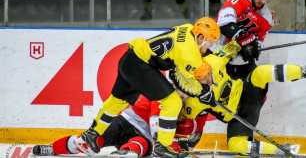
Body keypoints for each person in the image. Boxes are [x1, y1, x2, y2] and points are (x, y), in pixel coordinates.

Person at [75, 17, 221, 158]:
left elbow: (179, 66)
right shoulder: (190, 54)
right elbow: (179, 79)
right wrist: (203, 92)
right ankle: (162, 146)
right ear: (200, 38)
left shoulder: (188, 28)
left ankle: (91, 135)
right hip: (140, 66)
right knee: (173, 102)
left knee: (117, 101)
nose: (211, 46)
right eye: (210, 42)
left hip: (128, 59)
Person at [176, 40, 305, 155]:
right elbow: (184, 125)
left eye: (208, 74)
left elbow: (233, 46)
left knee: (259, 73)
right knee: (235, 145)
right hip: (238, 117)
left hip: (247, 93)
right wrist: (184, 136)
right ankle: (279, 151)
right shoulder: (192, 101)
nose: (208, 79)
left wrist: (248, 45)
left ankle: (302, 71)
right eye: (203, 79)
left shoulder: (213, 61)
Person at [31, 90, 206, 157]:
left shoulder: (185, 101)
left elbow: (172, 128)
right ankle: (53, 148)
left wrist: (182, 139)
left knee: (136, 148)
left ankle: (123, 153)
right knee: (88, 142)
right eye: (182, 91)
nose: (184, 95)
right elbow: (156, 124)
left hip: (143, 136)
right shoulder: (164, 92)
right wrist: (168, 147)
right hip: (126, 122)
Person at [210, 0, 274, 79]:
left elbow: (260, 40)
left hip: (242, 60)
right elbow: (224, 22)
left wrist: (255, 48)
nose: (261, 0)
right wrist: (242, 38)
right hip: (219, 50)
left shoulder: (267, 17)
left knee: (255, 86)